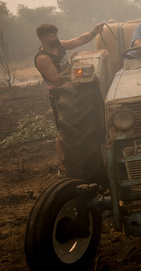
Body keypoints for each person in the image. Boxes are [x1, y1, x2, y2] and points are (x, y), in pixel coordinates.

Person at [34, 22, 105, 172]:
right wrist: (70, 65)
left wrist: (94, 32)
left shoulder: (58, 45)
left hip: (72, 90)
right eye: (52, 36)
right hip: (59, 95)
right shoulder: (43, 58)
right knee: (62, 133)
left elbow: (79, 40)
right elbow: (56, 80)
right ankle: (63, 168)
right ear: (42, 38)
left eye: (56, 34)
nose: (56, 38)